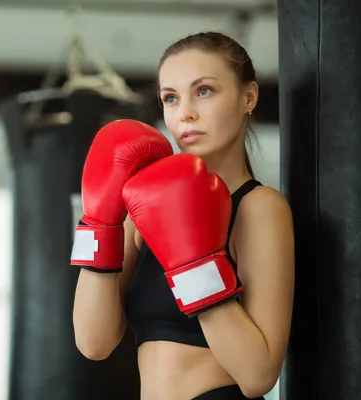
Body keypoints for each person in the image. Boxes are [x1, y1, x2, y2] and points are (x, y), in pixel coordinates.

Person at [70, 31, 295, 400]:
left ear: (248, 97)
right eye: (170, 98)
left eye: (204, 90)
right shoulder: (142, 205)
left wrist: (193, 262)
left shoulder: (259, 208)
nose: (185, 112)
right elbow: (94, 343)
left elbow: (258, 376)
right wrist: (99, 221)